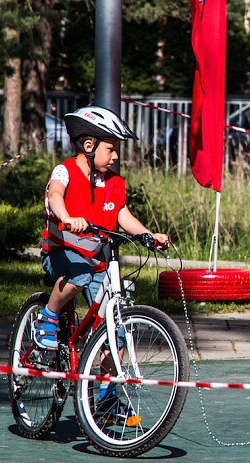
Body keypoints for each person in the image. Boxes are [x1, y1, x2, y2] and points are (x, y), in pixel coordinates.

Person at [34, 106, 168, 421]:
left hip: (96, 260)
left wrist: (148, 235)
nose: (116, 156)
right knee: (79, 275)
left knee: (115, 325)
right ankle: (46, 319)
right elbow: (55, 195)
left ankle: (107, 400)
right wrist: (67, 217)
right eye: (111, 149)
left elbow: (123, 216)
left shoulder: (113, 182)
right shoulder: (65, 171)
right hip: (60, 252)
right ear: (89, 145)